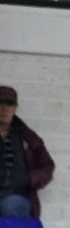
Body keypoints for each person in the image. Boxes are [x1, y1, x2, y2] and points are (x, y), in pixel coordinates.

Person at [0, 86, 55, 219]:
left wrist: (27, 178)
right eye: (0, 103)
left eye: (10, 104)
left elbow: (47, 167)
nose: (5, 109)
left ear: (15, 108)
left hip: (16, 196)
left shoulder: (27, 137)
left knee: (11, 205)